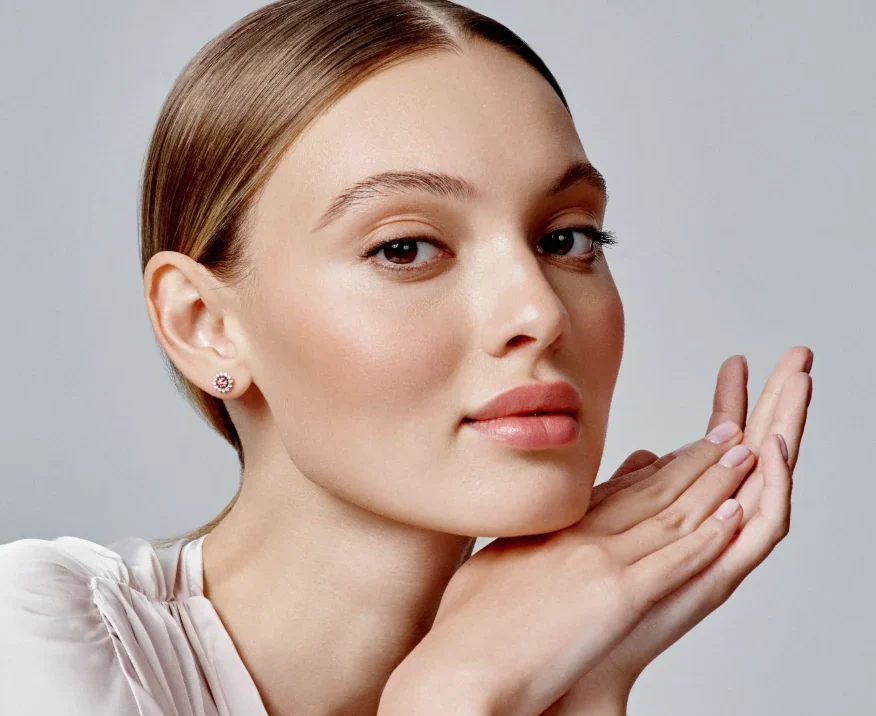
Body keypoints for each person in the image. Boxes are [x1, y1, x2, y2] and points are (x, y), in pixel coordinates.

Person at [0, 1, 813, 715]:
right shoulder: (34, 647)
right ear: (205, 325)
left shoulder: (540, 667)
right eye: (405, 248)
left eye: (567, 238)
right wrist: (448, 699)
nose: (540, 310)